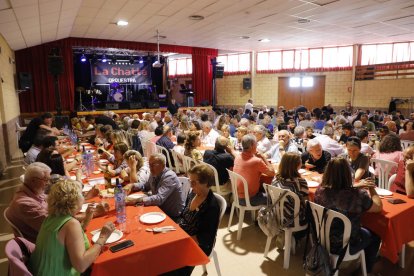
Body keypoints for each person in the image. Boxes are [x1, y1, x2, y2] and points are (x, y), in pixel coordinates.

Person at [29, 179, 115, 275]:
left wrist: (87, 218)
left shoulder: (51, 218)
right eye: (82, 194)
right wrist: (103, 238)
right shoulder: (71, 224)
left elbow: (71, 239)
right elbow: (81, 265)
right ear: (74, 201)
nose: (83, 197)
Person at [314, 158, 382, 274]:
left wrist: (355, 186)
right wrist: (371, 188)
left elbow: (338, 191)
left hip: (322, 237)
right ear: (348, 174)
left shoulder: (320, 190)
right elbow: (378, 207)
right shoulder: (358, 195)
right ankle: (366, 269)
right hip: (346, 245)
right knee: (376, 236)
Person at [165, 164, 220, 276]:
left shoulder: (211, 207)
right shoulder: (193, 193)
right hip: (182, 234)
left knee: (170, 268)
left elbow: (204, 238)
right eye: (190, 181)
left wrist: (179, 240)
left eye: (194, 182)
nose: (190, 185)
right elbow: (183, 214)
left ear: (206, 183)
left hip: (196, 245)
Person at [125, 153, 184, 219]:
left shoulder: (169, 177)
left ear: (163, 165)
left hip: (170, 215)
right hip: (158, 209)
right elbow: (146, 186)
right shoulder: (155, 172)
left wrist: (137, 200)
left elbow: (159, 198)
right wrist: (132, 185)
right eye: (149, 165)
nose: (150, 168)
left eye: (153, 165)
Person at [271, 153, 308, 236]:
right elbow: (306, 202)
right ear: (298, 165)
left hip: (276, 215)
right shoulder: (300, 182)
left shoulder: (275, 178)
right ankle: (298, 238)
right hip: (294, 220)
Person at [233, 134, 275, 206]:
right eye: (256, 144)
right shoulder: (256, 161)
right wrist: (263, 157)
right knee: (276, 198)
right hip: (249, 198)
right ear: (252, 146)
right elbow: (272, 173)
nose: (257, 146)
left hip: (237, 196)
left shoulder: (238, 156)